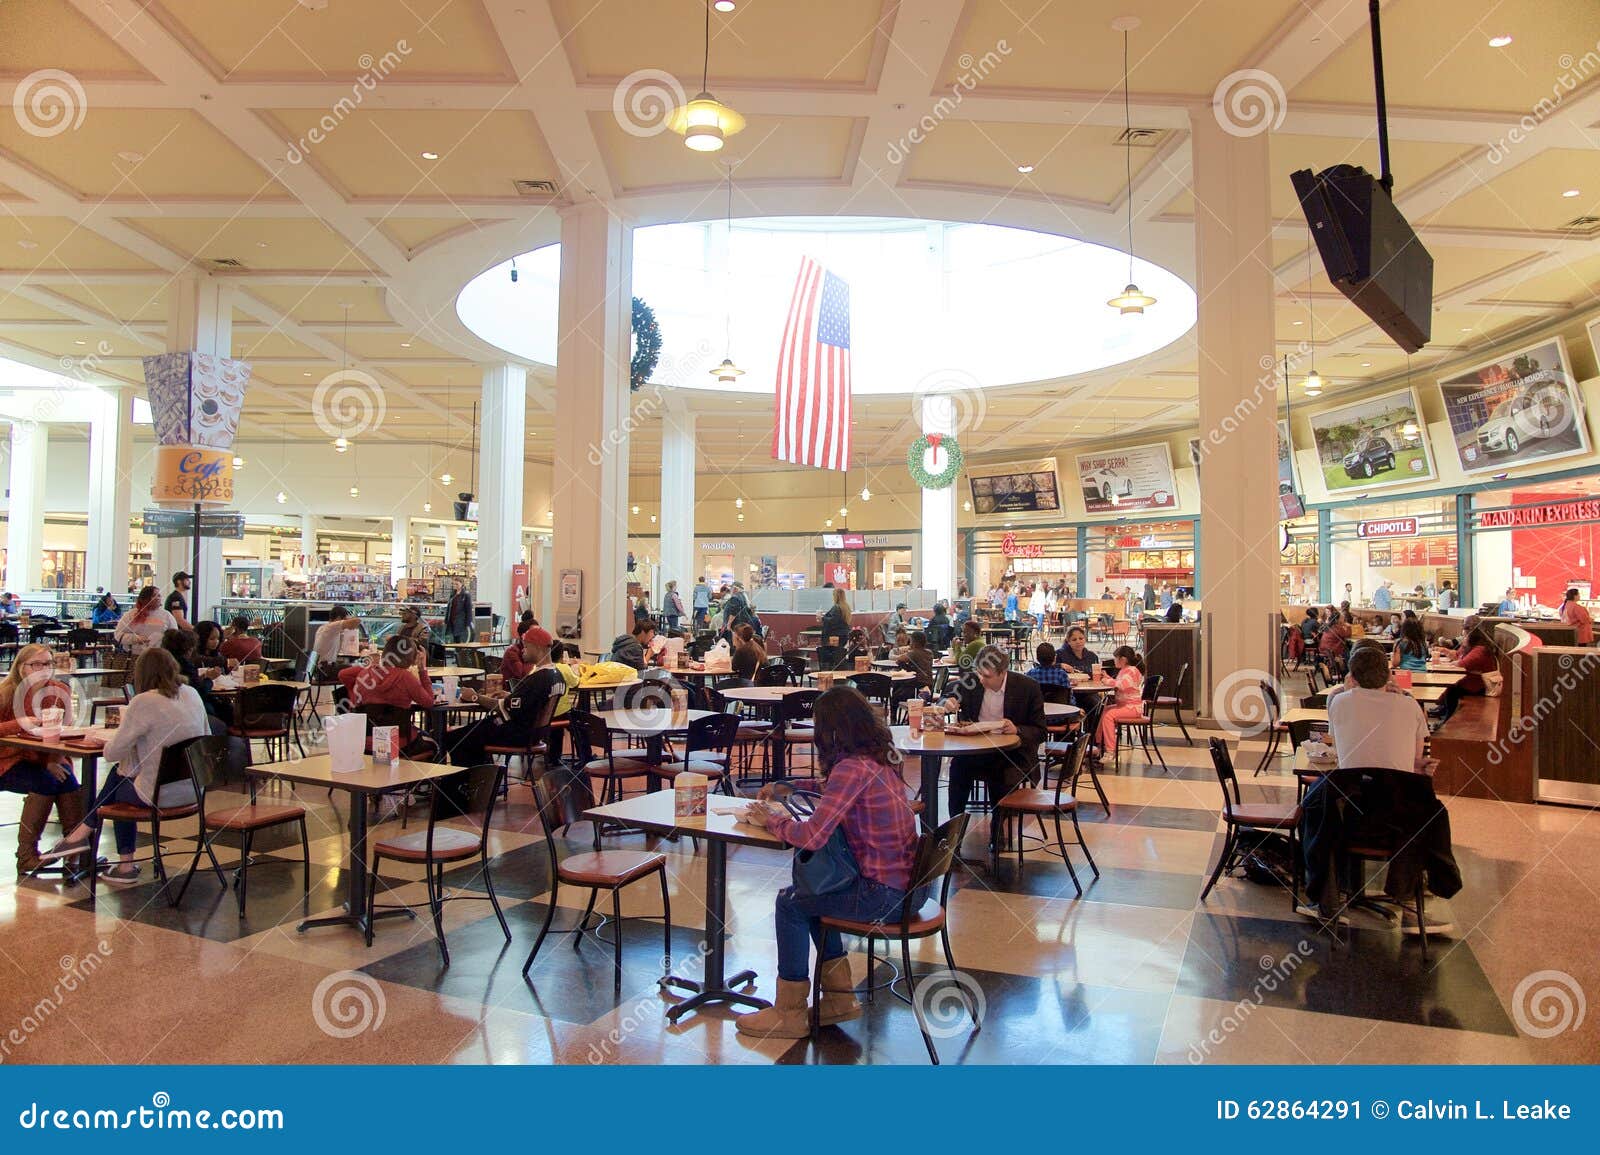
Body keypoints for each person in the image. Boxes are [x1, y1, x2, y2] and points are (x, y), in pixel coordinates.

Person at [734, 687, 921, 1039]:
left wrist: (770, 821)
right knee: (815, 897)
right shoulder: (879, 760)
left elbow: (812, 837)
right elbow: (833, 787)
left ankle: (789, 1013)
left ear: (830, 732)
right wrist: (788, 786)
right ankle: (837, 999)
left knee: (790, 902)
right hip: (911, 889)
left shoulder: (851, 768)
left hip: (883, 897)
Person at [1299, 646, 1458, 928]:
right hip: (1396, 822)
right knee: (1418, 806)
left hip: (1346, 818)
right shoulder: (1410, 706)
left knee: (1314, 804)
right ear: (1388, 676)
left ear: (1352, 676)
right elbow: (1414, 763)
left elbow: (1336, 745)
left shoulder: (1339, 703)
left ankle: (1328, 903)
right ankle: (1408, 903)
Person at [38, 648, 209, 885]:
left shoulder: (144, 701)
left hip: (158, 796)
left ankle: (106, 853)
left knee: (120, 775)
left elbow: (112, 753)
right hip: (195, 790)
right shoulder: (191, 694)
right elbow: (206, 739)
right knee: (124, 775)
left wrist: (117, 738)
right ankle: (84, 839)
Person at [0, 645, 86, 874]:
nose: (43, 669)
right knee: (47, 782)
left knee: (67, 782)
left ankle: (73, 852)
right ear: (21, 668)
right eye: (36, 664)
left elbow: (63, 731)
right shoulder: (5, 693)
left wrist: (53, 759)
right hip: (9, 760)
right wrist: (21, 723)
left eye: (48, 664)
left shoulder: (59, 691)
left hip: (46, 759)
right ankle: (27, 855)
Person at [937, 647, 1045, 822]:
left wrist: (1017, 729)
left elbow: (1040, 731)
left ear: (1003, 673)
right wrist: (947, 702)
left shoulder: (1027, 687)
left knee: (1001, 774)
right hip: (976, 750)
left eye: (987, 676)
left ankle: (997, 832)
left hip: (1012, 753)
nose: (981, 679)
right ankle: (953, 829)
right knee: (957, 768)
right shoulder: (972, 682)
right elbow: (945, 695)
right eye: (979, 673)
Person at [446, 628, 564, 767]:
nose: (522, 650)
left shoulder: (537, 679)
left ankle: (459, 784)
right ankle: (482, 777)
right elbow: (529, 701)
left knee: (455, 738)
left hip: (518, 734)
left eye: (526, 646)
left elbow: (504, 707)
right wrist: (511, 696)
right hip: (535, 734)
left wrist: (475, 697)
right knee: (472, 732)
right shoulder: (557, 676)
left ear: (537, 647)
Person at [338, 634, 437, 757]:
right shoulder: (406, 677)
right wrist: (422, 670)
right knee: (434, 744)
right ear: (411, 658)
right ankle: (422, 775)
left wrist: (369, 665)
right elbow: (429, 702)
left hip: (365, 742)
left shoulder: (364, 674)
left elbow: (343, 674)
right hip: (399, 743)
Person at [162, 627, 231, 726]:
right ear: (188, 649)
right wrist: (208, 679)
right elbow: (198, 692)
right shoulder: (185, 665)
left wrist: (200, 679)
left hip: (170, 705)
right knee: (225, 709)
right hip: (189, 707)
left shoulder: (164, 662)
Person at [1092, 645, 1145, 763]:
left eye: (1115, 658)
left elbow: (1122, 685)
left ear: (1123, 659)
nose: (1114, 661)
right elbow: (1119, 682)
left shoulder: (1131, 670)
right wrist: (1108, 678)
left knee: (1108, 716)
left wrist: (1106, 680)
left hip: (1133, 707)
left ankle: (1110, 751)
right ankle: (1099, 742)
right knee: (1104, 710)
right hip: (1126, 706)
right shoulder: (1125, 671)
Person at [114, 585, 177, 656]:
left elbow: (175, 636)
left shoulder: (167, 615)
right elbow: (118, 635)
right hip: (134, 656)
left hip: (159, 656)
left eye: (159, 595)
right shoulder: (130, 615)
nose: (158, 598)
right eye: (154, 595)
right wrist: (136, 638)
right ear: (145, 598)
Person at [312, 605, 363, 675]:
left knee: (355, 666)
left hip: (319, 670)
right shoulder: (331, 627)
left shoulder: (323, 628)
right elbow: (357, 621)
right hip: (325, 670)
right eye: (345, 619)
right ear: (339, 618)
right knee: (360, 667)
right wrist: (349, 619)